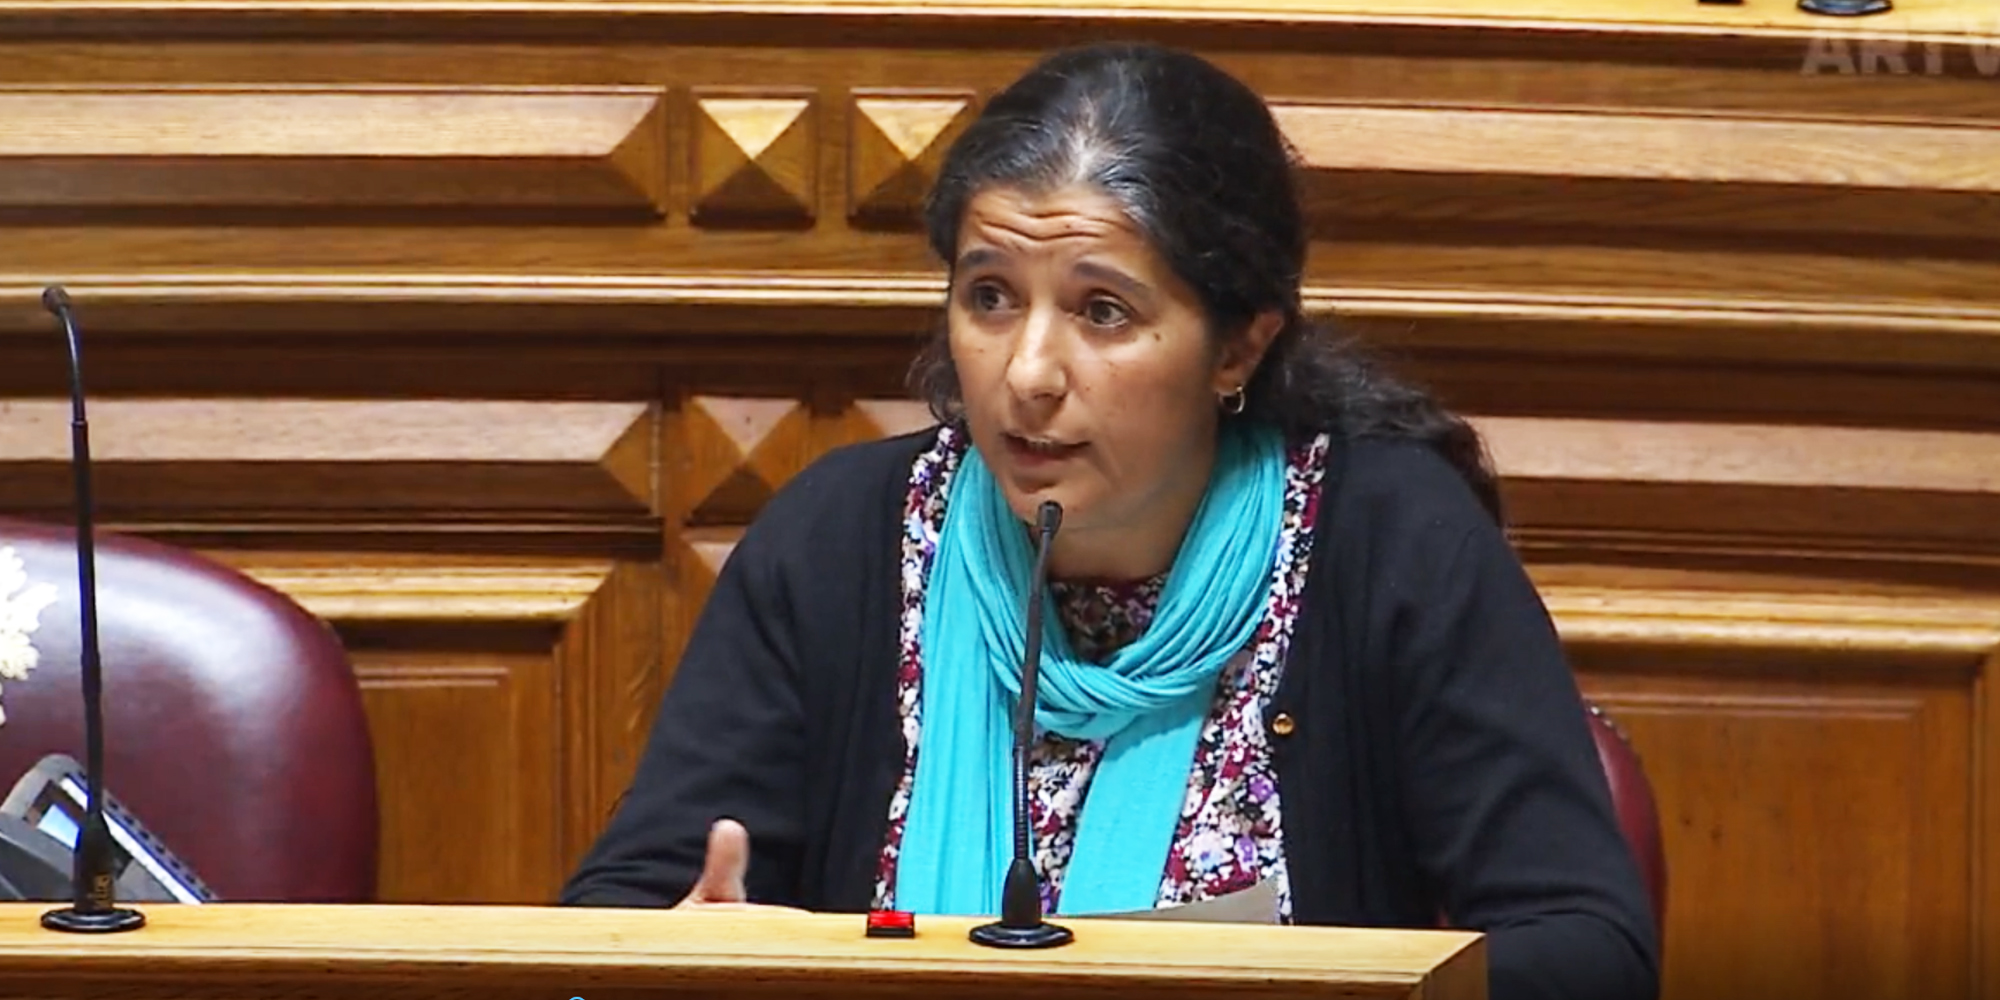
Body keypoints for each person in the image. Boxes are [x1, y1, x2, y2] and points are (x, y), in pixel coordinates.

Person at [561, 41, 1659, 1000]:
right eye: (990, 297)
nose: (1027, 374)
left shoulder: (1387, 548)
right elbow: (616, 916)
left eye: (1102, 311)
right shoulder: (840, 542)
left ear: (1238, 346)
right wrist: (677, 957)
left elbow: (1587, 948)